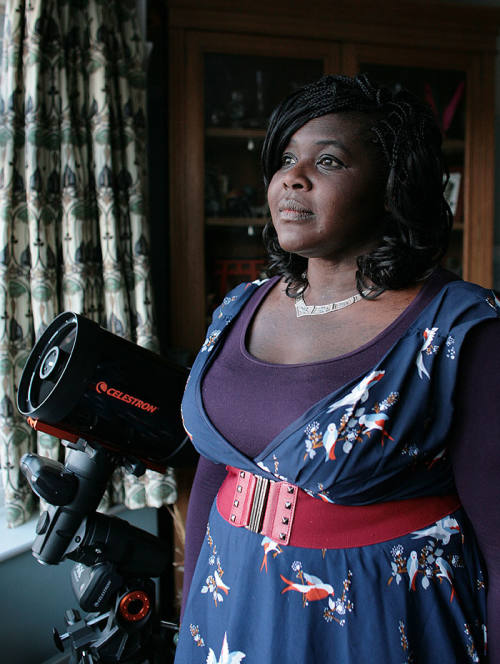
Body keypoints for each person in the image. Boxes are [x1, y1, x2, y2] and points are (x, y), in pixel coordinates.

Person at [174, 74, 500, 663]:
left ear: (392, 186)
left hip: (375, 616)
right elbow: (211, 473)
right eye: (285, 160)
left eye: (328, 160)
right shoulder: (237, 306)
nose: (292, 178)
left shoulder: (459, 328)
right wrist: (191, 609)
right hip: (229, 600)